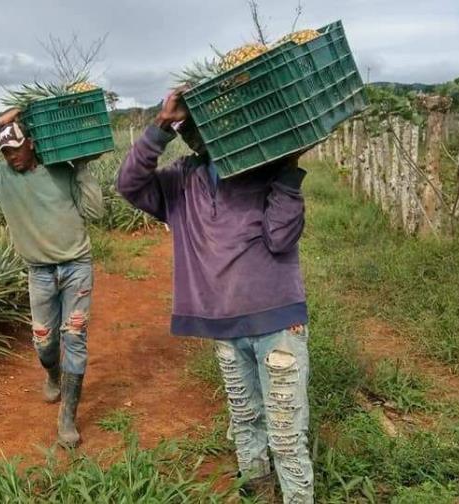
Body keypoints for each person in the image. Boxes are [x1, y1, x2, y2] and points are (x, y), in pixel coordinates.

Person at [116, 89, 313, 503]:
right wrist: (160, 125)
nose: (198, 134)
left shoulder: (264, 168)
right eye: (190, 126)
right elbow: (129, 184)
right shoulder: (182, 180)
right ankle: (258, 495)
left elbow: (280, 240)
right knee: (245, 421)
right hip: (225, 328)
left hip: (278, 325)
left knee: (286, 436)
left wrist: (289, 170)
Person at [0, 108, 105, 448]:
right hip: (39, 271)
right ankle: (52, 373)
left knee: (75, 337)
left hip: (76, 265)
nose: (11, 157)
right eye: (5, 152)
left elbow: (96, 211)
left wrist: (81, 168)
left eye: (16, 149)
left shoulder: (61, 171)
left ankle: (67, 416)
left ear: (32, 144)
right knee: (44, 341)